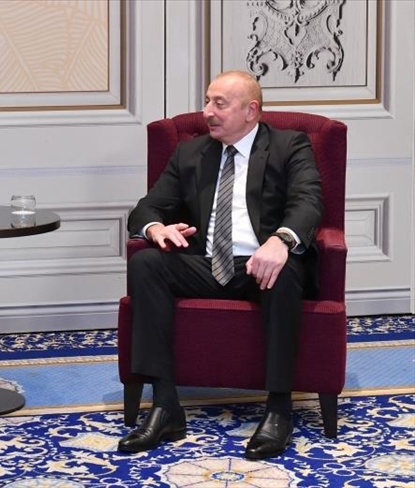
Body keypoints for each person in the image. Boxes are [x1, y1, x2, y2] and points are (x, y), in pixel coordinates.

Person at [118, 70, 322, 460]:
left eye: (219, 104)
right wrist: (157, 227)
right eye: (207, 101)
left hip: (261, 265)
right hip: (207, 263)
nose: (207, 112)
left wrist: (280, 241)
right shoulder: (190, 153)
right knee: (146, 263)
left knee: (281, 273)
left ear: (251, 110)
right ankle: (165, 405)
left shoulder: (288, 146)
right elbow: (146, 208)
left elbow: (308, 202)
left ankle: (279, 409)